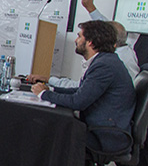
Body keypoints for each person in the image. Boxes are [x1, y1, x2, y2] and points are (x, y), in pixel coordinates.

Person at [32, 20, 135, 153]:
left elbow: (78, 102)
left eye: (80, 36)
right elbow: (82, 91)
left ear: (90, 42)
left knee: (44, 130)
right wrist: (52, 89)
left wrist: (44, 94)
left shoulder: (104, 66)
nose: (76, 40)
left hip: (103, 136)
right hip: (101, 128)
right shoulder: (106, 60)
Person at [28, 0, 140, 87]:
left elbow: (80, 89)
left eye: (80, 36)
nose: (77, 40)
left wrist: (47, 86)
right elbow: (110, 29)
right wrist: (91, 9)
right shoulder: (125, 49)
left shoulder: (110, 63)